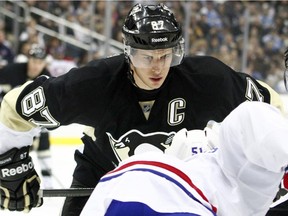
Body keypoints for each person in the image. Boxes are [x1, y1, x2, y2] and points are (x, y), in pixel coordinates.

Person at [0, 3, 285, 215]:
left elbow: (271, 109)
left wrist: (281, 162)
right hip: (101, 175)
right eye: (147, 57)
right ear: (128, 52)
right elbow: (16, 107)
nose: (158, 67)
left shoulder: (206, 78)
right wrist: (11, 161)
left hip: (179, 182)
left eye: (165, 55)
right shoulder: (94, 82)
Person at [80, 101, 288, 216]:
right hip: (178, 197)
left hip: (119, 185)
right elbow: (262, 126)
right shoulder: (255, 129)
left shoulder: (213, 146)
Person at [0, 43, 53, 189]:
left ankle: (48, 181)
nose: (36, 66)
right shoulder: (11, 71)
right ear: (28, 59)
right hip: (7, 117)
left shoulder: (48, 79)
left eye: (40, 62)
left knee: (43, 141)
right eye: (34, 61)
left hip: (33, 121)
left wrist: (39, 129)